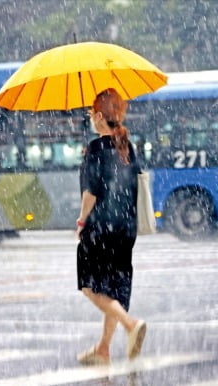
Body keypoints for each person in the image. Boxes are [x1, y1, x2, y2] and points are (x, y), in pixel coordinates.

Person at [75, 88, 146, 366]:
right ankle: (103, 348)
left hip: (101, 227)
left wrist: (81, 222)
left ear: (101, 116)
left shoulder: (96, 148)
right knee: (114, 287)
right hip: (126, 228)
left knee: (90, 285)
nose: (91, 118)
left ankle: (131, 324)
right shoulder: (126, 146)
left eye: (93, 113)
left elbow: (90, 193)